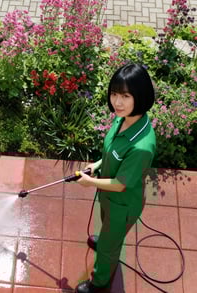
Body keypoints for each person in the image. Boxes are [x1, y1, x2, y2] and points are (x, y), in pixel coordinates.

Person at [75, 63, 156, 293]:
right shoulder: (124, 118)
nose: (117, 102)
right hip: (108, 197)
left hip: (122, 204)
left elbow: (120, 184)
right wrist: (98, 164)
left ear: (139, 96)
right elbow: (113, 151)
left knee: (110, 249)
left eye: (125, 96)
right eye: (114, 94)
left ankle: (99, 284)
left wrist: (89, 182)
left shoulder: (142, 146)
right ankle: (107, 238)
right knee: (107, 227)